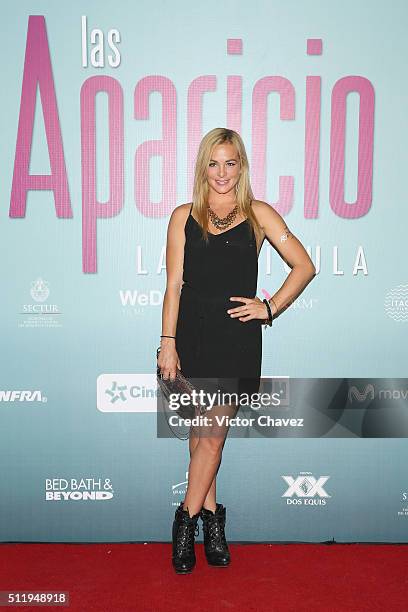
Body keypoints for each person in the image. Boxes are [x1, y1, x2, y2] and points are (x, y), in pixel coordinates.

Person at [157, 127, 316, 574]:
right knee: (199, 439)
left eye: (230, 163)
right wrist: (167, 343)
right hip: (191, 339)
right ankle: (214, 524)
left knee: (212, 436)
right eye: (214, 163)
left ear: (241, 165)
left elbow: (305, 266)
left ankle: (184, 524)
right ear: (203, 166)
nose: (222, 172)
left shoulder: (259, 214)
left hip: (236, 342)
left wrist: (269, 308)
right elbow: (173, 286)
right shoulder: (182, 216)